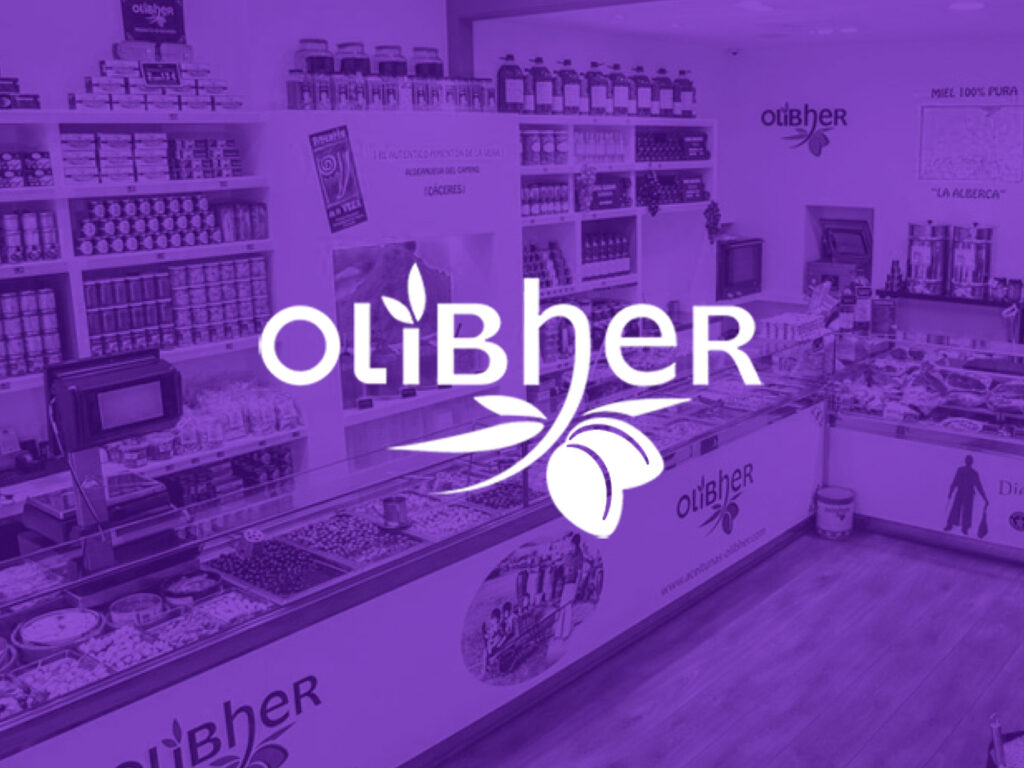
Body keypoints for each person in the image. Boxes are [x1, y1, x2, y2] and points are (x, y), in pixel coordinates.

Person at [945, 454, 989, 535]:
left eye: (969, 461)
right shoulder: (960, 470)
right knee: (956, 508)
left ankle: (965, 528)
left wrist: (985, 499)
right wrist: (950, 492)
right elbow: (955, 481)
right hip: (961, 491)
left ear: (971, 462)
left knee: (967, 511)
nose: (968, 462)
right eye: (967, 460)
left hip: (969, 493)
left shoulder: (974, 473)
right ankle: (950, 524)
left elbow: (979, 487)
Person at [556, 534, 585, 640]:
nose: (571, 547)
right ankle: (558, 633)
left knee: (567, 608)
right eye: (570, 545)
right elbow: (563, 567)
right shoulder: (567, 555)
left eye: (573, 545)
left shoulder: (579, 557)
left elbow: (580, 573)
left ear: (577, 545)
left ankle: (565, 633)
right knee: (562, 608)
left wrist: (577, 587)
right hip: (565, 584)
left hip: (572, 584)